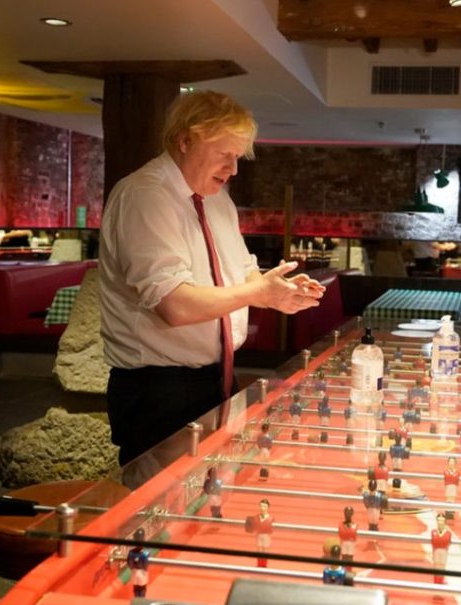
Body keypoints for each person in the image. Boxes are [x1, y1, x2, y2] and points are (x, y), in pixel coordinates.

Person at [99, 91, 325, 466]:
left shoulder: (218, 200)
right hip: (158, 387)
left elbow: (242, 272)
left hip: (215, 377)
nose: (234, 169)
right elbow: (174, 305)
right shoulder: (145, 195)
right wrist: (257, 291)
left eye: (238, 157)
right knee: (155, 510)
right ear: (184, 140)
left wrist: (276, 291)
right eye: (225, 154)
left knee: (208, 497)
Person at [430, 513, 453, 584]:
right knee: (436, 566)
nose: (440, 522)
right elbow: (432, 544)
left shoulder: (448, 533)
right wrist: (433, 553)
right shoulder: (433, 532)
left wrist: (446, 552)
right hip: (436, 550)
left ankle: (441, 581)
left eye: (442, 520)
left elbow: (448, 545)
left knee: (442, 566)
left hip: (444, 551)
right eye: (438, 520)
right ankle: (436, 581)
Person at [127, 528, 149, 597]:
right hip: (142, 572)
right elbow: (146, 564)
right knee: (142, 588)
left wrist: (133, 568)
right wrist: (145, 569)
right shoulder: (145, 553)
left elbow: (130, 564)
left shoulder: (131, 553)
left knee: (136, 588)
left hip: (134, 572)